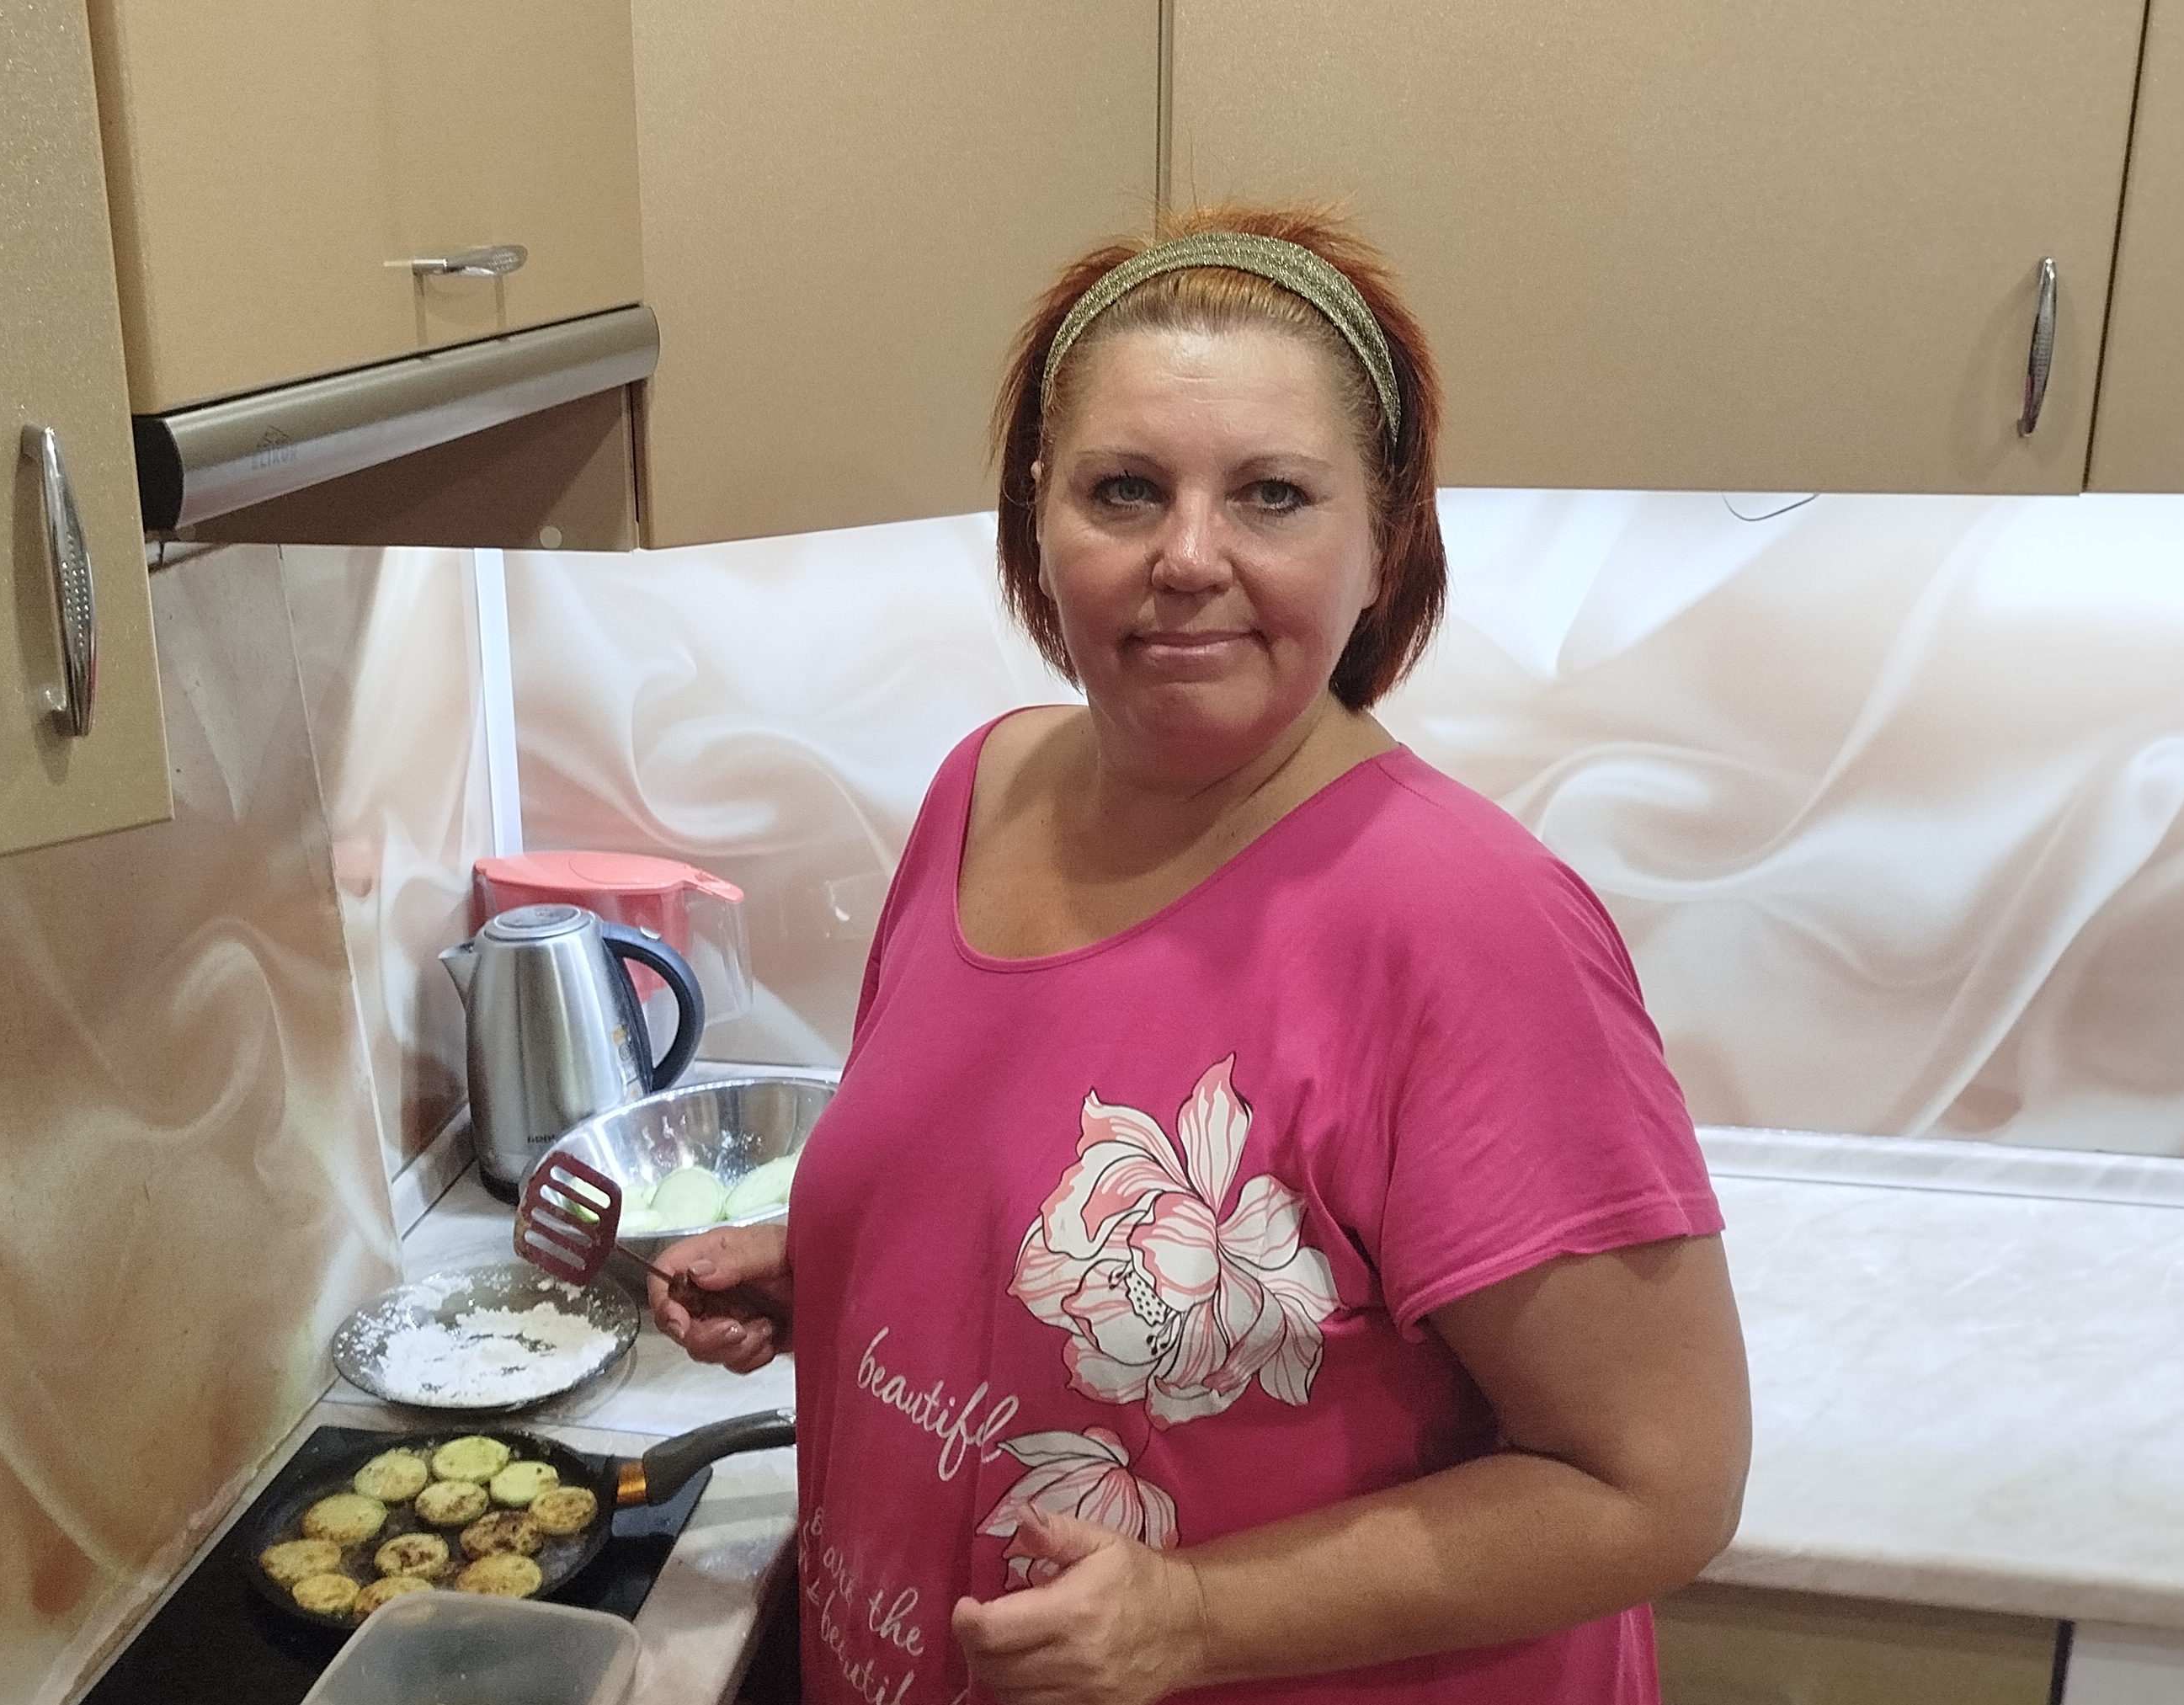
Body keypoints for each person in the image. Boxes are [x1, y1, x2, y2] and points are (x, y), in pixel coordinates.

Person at [651, 205, 1752, 1705]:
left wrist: (1193, 1617)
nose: (1186, 557)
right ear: (1038, 520)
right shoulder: (984, 790)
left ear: (1387, 540)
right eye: (1125, 489)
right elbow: (1017, 1183)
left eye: (1272, 495)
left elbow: (1658, 1483)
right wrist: (851, 1261)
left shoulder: (1469, 926)